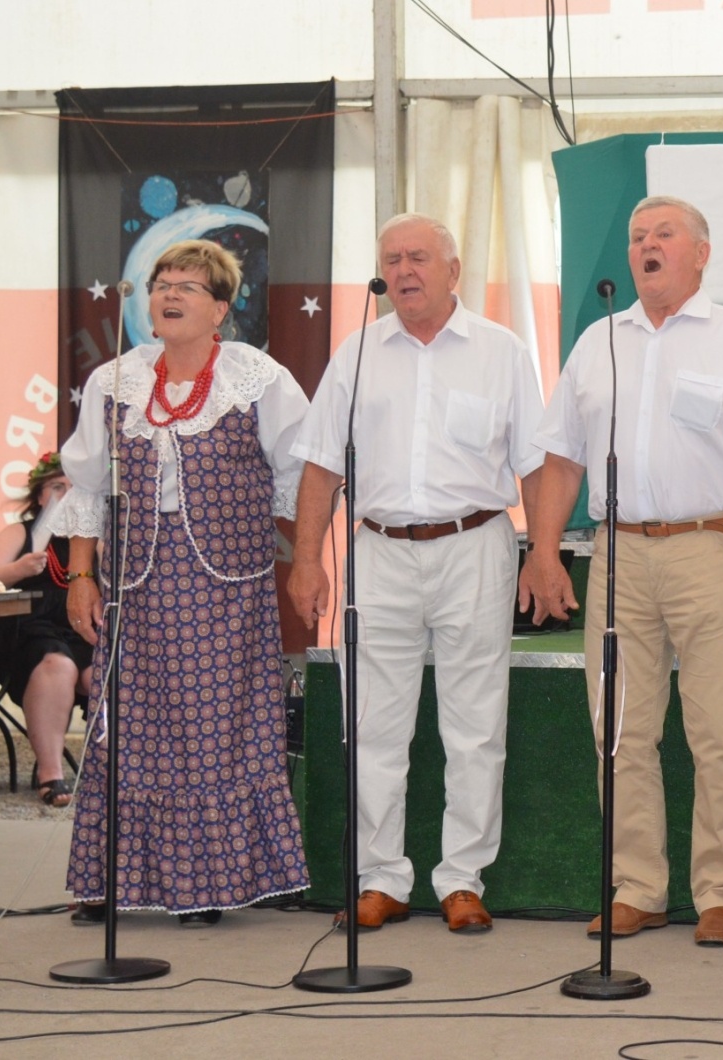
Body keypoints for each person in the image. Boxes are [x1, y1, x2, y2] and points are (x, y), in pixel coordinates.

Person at [530, 195, 723, 948]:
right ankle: (637, 888)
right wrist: (546, 551)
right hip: (616, 552)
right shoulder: (598, 342)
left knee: (718, 729)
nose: (647, 247)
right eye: (637, 237)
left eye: (664, 235)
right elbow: (560, 460)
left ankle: (720, 891)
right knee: (619, 729)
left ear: (701, 252)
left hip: (715, 547)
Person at [289, 213, 545, 935]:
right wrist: (308, 559)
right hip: (379, 551)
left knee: (474, 726)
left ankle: (462, 879)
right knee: (374, 726)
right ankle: (382, 879)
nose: (404, 271)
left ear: (453, 271)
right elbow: (320, 465)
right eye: (393, 259)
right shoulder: (358, 352)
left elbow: (536, 465)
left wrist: (545, 553)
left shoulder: (501, 352)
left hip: (477, 545)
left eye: (419, 258)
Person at [56, 239, 310, 926]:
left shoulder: (256, 379)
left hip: (226, 587)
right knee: (127, 729)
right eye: (161, 282)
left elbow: (302, 475)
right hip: (133, 587)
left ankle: (208, 883)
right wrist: (81, 575)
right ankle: (111, 877)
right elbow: (88, 487)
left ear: (221, 308)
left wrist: (305, 556)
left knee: (213, 732)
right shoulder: (118, 382)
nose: (169, 294)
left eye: (189, 287)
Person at [0, 453, 92, 807]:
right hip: (28, 630)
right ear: (39, 496)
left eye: (73, 488)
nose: (65, 495)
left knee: (101, 672)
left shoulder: (89, 540)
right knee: (57, 665)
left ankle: (113, 772)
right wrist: (17, 570)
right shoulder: (19, 533)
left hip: (80, 629)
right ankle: (50, 772)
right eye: (57, 487)